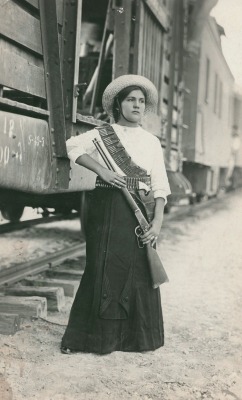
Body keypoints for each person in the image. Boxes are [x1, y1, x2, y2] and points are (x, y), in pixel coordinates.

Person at [61, 74, 171, 354]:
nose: (136, 105)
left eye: (141, 101)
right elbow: (70, 146)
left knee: (138, 271)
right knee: (101, 267)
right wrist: (102, 170)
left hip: (140, 211)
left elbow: (160, 185)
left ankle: (136, 339)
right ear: (118, 104)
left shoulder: (151, 142)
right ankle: (92, 339)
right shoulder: (101, 134)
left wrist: (157, 221)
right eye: (131, 100)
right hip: (106, 207)